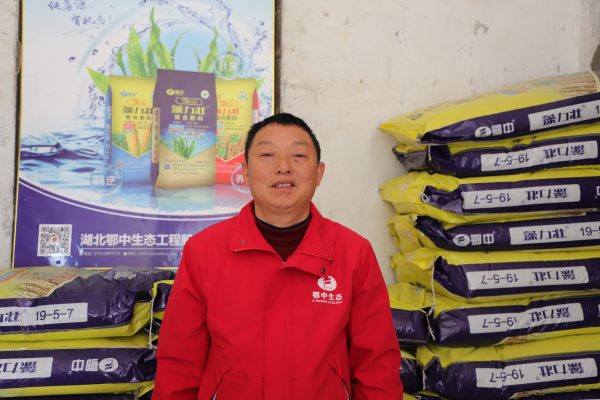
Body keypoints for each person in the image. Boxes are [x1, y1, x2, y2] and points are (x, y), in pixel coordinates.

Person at [153, 112, 403, 399]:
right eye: (267, 155)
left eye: (299, 156)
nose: (283, 167)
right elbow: (179, 364)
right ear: (245, 171)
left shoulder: (353, 252)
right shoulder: (204, 251)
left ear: (319, 173)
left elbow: (377, 365)